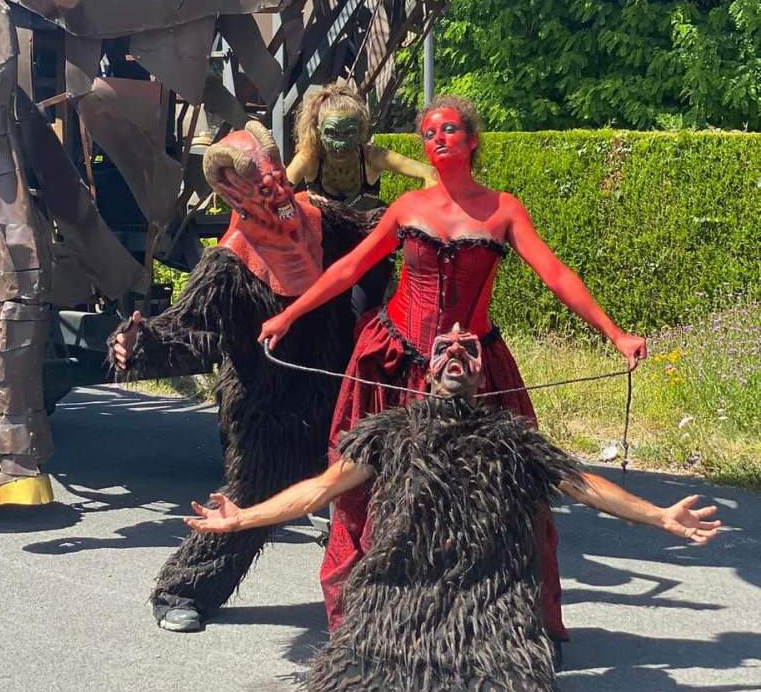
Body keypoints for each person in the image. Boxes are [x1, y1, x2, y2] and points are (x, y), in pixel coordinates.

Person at [187, 328, 719, 692]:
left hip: (490, 614)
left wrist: (660, 516)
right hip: (395, 606)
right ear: (428, 372)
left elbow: (585, 485)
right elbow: (319, 490)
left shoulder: (515, 440)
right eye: (445, 347)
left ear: (484, 375)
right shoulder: (389, 434)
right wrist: (243, 518)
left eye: (469, 348)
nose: (457, 352)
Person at [259, 95, 648, 641]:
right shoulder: (407, 207)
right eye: (428, 133)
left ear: (471, 140)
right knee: (368, 487)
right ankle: (368, 621)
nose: (436, 139)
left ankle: (510, 621)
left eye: (447, 130)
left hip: (473, 365)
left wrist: (616, 333)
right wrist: (290, 315)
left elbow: (556, 274)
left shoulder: (503, 209)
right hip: (396, 361)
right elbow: (348, 269)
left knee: (511, 490)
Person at [110, 121, 378, 633]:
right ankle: (182, 590)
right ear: (234, 193)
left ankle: (379, 592)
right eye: (258, 180)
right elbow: (188, 333)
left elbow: (379, 237)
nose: (274, 185)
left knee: (368, 481)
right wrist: (136, 345)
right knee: (254, 496)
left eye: (275, 171)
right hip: (265, 405)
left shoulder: (323, 220)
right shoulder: (229, 265)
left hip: (337, 389)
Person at [288, 82, 435, 313]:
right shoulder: (310, 158)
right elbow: (280, 190)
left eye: (349, 133)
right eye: (332, 133)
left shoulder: (372, 157)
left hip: (366, 250)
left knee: (363, 311)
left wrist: (422, 207)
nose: (340, 144)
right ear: (318, 130)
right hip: (323, 250)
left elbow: (430, 173)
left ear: (361, 130)